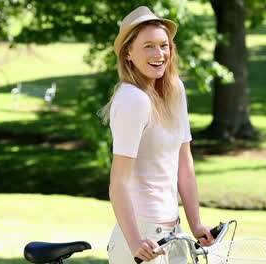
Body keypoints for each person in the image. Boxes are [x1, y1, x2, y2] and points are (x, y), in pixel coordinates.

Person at [99, 6, 215, 264]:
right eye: (148, 46)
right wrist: (134, 242)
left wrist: (196, 225)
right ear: (128, 53)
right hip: (143, 239)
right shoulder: (133, 100)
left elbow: (184, 163)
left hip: (175, 233)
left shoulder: (175, 91)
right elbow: (118, 182)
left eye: (164, 45)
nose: (159, 54)